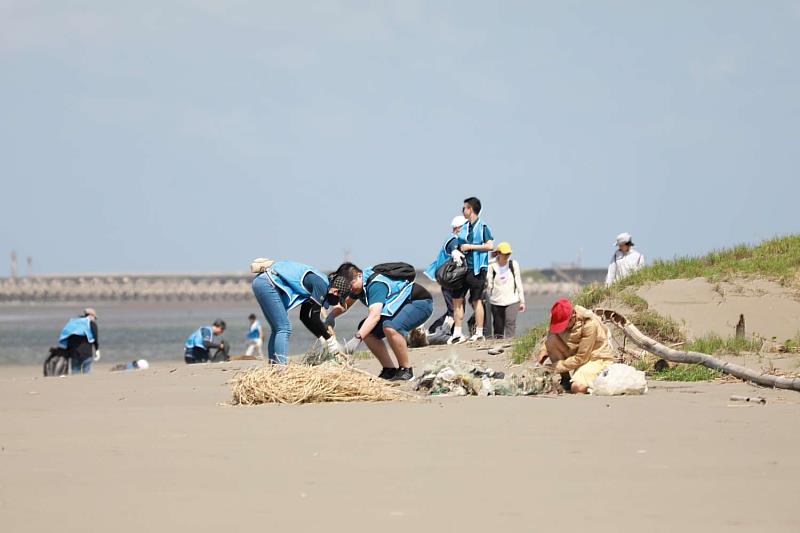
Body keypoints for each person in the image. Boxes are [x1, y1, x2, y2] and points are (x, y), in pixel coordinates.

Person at [333, 262, 433, 381]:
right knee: (366, 330)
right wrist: (328, 319)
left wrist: (357, 339)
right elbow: (345, 305)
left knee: (391, 327)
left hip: (420, 303)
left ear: (359, 275)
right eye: (347, 287)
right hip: (401, 306)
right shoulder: (357, 288)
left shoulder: (376, 284)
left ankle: (406, 371)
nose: (350, 289)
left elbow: (375, 315)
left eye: (351, 285)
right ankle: (389, 370)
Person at [251, 260, 350, 364]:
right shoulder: (321, 285)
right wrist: (330, 340)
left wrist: (322, 338)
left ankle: (273, 366)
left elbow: (305, 317)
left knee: (277, 329)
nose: (337, 303)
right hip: (267, 283)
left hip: (261, 281)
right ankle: (280, 370)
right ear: (335, 291)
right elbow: (314, 318)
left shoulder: (320, 285)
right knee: (284, 328)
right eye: (339, 300)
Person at [537, 298, 615, 394]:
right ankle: (565, 379)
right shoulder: (559, 318)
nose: (562, 328)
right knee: (551, 340)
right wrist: (544, 351)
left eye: (563, 325)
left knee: (577, 387)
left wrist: (555, 367)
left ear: (573, 316)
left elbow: (581, 358)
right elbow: (552, 335)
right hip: (575, 353)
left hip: (595, 358)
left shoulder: (589, 324)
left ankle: (600, 385)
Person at [448, 197, 494, 343]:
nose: (463, 211)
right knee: (457, 299)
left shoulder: (484, 227)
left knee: (476, 300)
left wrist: (471, 247)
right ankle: (457, 332)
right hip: (462, 269)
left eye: (464, 208)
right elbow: (456, 241)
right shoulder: (464, 227)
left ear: (470, 209)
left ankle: (479, 332)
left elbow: (490, 246)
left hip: (478, 269)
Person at [423, 215, 467, 340]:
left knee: (457, 308)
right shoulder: (453, 239)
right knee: (454, 308)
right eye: (464, 227)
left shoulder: (455, 238)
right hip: (448, 280)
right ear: (458, 228)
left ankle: (450, 332)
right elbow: (452, 248)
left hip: (450, 280)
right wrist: (455, 252)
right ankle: (433, 330)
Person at [485, 242, 526, 338]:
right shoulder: (491, 265)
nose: (507, 256)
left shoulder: (513, 264)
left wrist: (522, 301)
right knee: (498, 326)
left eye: (509, 254)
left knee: (510, 322)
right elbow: (489, 284)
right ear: (498, 253)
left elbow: (518, 283)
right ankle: (497, 345)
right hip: (496, 300)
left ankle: (509, 345)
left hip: (512, 299)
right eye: (505, 254)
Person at [57, 308, 100, 374]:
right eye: (94, 317)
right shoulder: (92, 324)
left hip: (74, 352)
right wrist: (97, 350)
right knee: (87, 372)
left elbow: (67, 336)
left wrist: (68, 351)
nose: (94, 319)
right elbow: (95, 338)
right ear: (91, 316)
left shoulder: (74, 323)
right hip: (87, 353)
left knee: (75, 373)